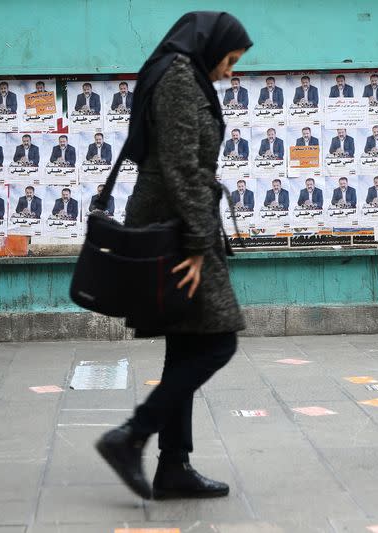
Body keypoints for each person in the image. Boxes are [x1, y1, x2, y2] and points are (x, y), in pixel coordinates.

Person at [94, 11, 251, 502]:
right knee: (219, 341)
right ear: (210, 48)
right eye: (229, 60)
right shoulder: (181, 78)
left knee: (187, 343)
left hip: (173, 222)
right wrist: (201, 247)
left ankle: (173, 466)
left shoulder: (172, 72)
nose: (229, 72)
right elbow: (183, 168)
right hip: (178, 229)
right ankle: (132, 436)